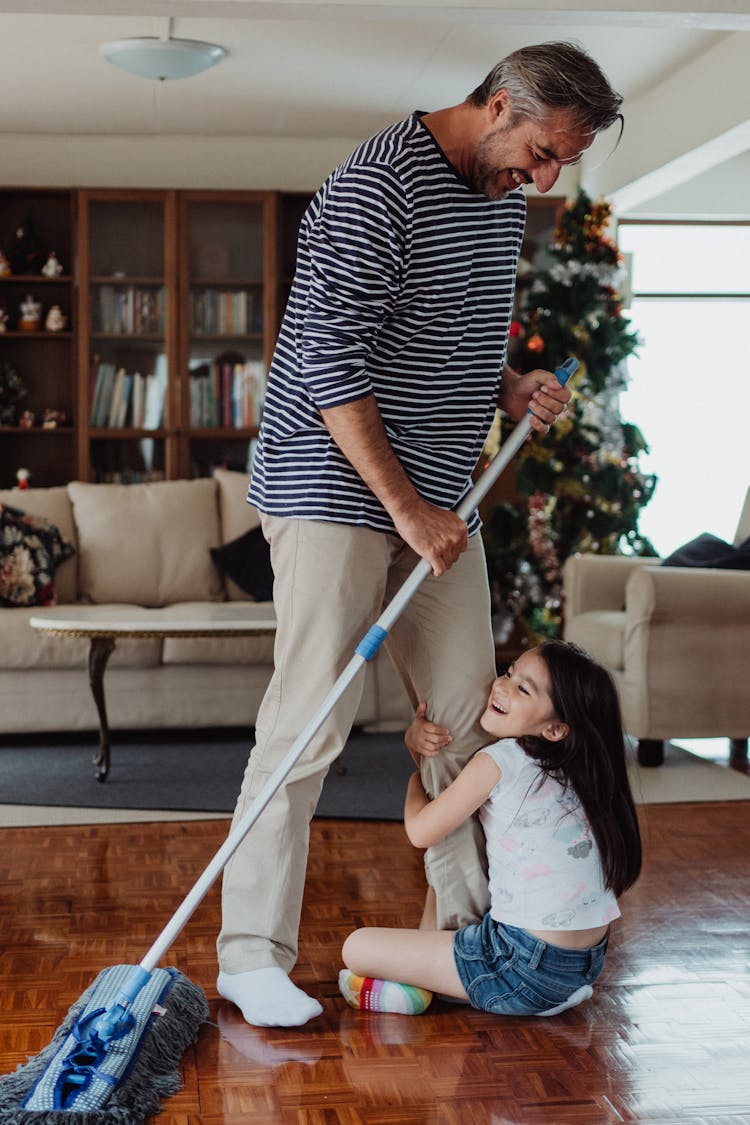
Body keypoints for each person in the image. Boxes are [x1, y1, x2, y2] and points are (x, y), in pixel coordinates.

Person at [217, 40, 625, 1028]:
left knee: (471, 716)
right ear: (496, 106)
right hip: (333, 490)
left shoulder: (500, 195)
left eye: (562, 160)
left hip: (439, 502)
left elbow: (455, 329)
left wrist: (509, 384)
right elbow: (325, 362)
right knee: (308, 722)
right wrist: (404, 509)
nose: (545, 177)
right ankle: (248, 954)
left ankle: (475, 936)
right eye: (541, 152)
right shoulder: (375, 187)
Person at [339, 640, 642, 1017]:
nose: (501, 686)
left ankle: (420, 990)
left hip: (519, 966)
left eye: (522, 688)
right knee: (439, 882)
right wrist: (413, 742)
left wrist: (414, 781)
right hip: (583, 965)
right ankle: (429, 983)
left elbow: (420, 831)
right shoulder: (585, 772)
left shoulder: (499, 761)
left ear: (554, 728)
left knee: (356, 947)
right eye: (509, 672)